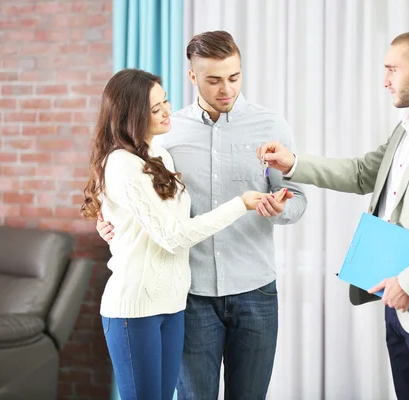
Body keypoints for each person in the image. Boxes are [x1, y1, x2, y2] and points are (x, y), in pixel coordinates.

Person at [258, 30, 409, 399]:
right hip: (397, 309)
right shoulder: (405, 129)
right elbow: (360, 173)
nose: (384, 81)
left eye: (392, 70)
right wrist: (294, 163)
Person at [97, 31, 307, 399]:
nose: (226, 89)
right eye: (214, 80)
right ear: (193, 77)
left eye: (234, 77)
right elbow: (132, 189)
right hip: (189, 297)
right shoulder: (165, 133)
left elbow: (299, 199)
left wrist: (281, 209)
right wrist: (109, 221)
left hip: (255, 291)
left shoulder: (271, 127)